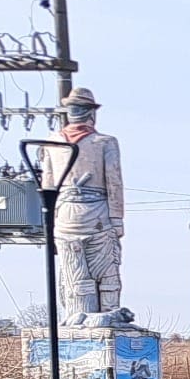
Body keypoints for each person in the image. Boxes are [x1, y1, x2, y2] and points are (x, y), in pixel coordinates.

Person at [50, 86, 128, 322]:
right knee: (107, 275)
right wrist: (117, 220)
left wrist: (49, 223)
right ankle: (104, 320)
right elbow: (114, 183)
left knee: (75, 277)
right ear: (91, 113)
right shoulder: (104, 143)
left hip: (63, 216)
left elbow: (47, 187)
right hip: (97, 215)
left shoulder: (51, 143)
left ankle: (78, 319)